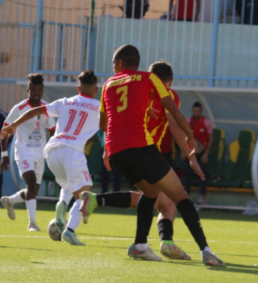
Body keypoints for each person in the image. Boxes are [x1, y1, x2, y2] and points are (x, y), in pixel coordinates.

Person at [88, 44, 223, 266]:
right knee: (180, 196)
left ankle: (140, 245)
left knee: (150, 192)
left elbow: (103, 124)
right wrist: (190, 136)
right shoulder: (149, 79)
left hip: (116, 153)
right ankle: (206, 251)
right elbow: (176, 113)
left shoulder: (108, 84)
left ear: (120, 63)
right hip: (141, 148)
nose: (113, 68)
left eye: (114, 64)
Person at [2, 70, 100, 245]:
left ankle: (62, 203)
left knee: (70, 185)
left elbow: (36, 111)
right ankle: (70, 230)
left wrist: (14, 125)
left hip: (52, 152)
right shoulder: (99, 107)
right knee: (85, 195)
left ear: (78, 87)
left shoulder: (64, 102)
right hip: (73, 152)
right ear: (96, 89)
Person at [0, 73, 56, 232]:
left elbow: (52, 130)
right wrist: (4, 155)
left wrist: (52, 151)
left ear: (42, 90)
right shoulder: (19, 109)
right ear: (28, 90)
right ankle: (32, 224)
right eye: (33, 89)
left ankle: (10, 201)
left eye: (39, 89)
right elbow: (4, 131)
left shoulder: (46, 108)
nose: (36, 92)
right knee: (30, 182)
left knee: (33, 191)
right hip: (23, 151)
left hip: (40, 153)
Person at [184, 101, 213, 204]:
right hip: (192, 151)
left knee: (203, 174)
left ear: (201, 111)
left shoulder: (206, 122)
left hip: (202, 151)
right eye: (195, 111)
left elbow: (210, 138)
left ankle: (202, 196)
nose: (196, 113)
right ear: (192, 111)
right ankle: (186, 195)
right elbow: (184, 136)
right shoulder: (188, 121)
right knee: (187, 172)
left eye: (198, 111)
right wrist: (184, 151)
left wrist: (206, 153)